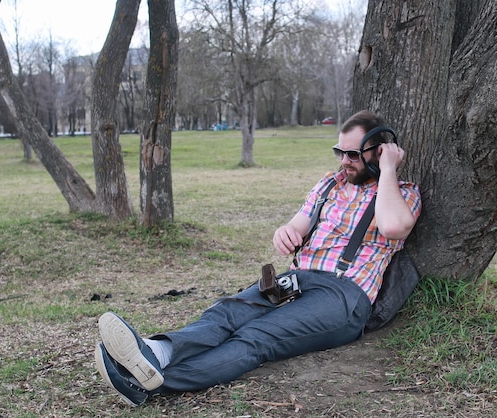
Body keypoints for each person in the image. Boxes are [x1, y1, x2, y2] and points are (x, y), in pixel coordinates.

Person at [94, 110, 422, 406]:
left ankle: (147, 385)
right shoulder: (330, 184)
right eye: (340, 152)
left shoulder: (401, 193)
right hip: (298, 279)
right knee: (230, 312)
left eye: (353, 154)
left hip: (343, 296)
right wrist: (286, 232)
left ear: (379, 152)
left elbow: (394, 226)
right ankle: (155, 352)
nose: (344, 161)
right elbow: (297, 223)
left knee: (258, 337)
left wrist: (389, 169)